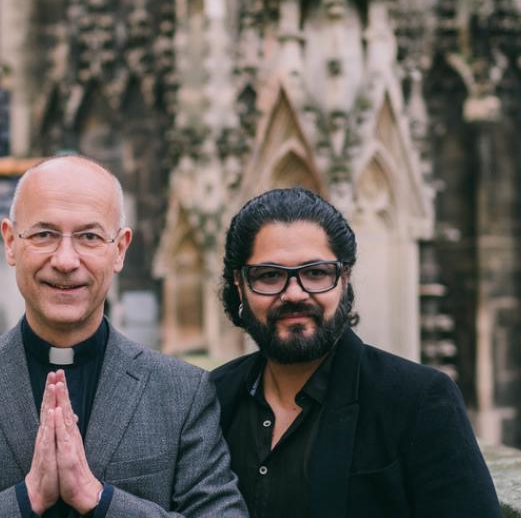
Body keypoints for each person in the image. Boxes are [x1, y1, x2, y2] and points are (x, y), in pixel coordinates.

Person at [0, 155, 247, 517]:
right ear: (10, 242)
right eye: (44, 234)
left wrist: (100, 500)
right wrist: (26, 499)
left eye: (89, 237)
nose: (66, 260)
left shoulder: (183, 394)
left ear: (119, 249)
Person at [212, 188, 501, 518]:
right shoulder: (214, 397)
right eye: (269, 276)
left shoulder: (417, 398)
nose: (294, 293)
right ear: (239, 284)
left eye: (316, 273)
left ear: (344, 279)